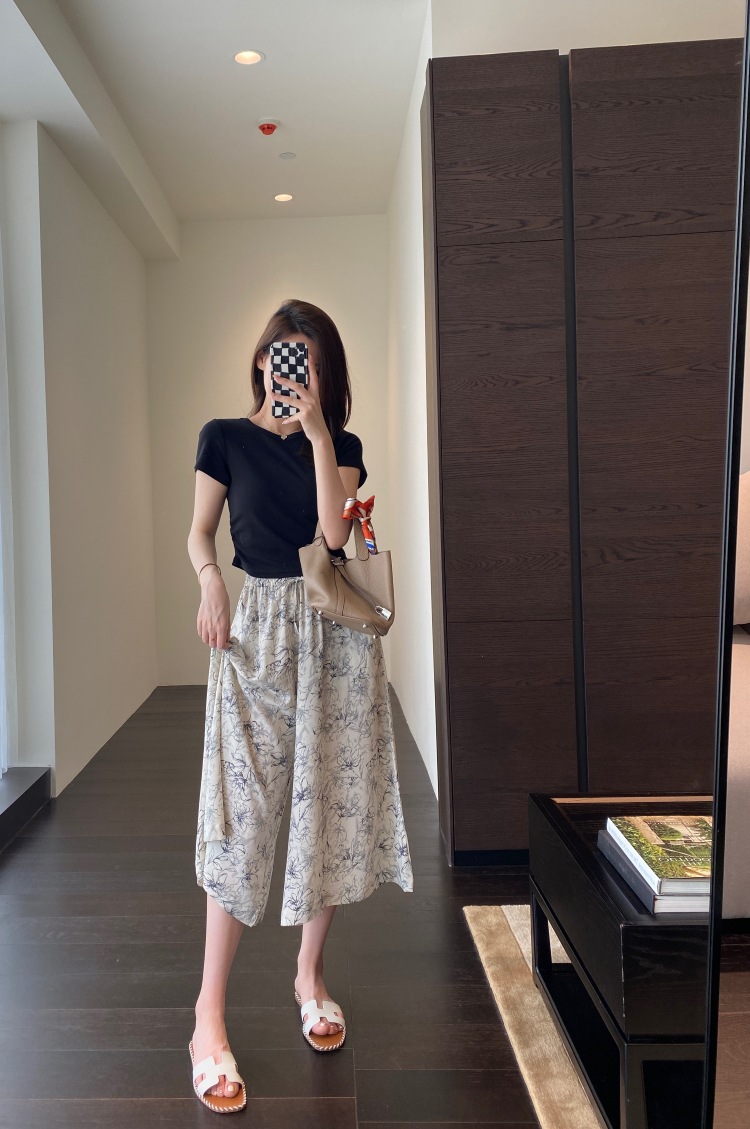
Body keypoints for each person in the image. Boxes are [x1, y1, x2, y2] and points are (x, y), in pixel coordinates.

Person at [186, 298, 414, 1113]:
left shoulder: (342, 446)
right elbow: (200, 532)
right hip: (255, 634)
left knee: (325, 809)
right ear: (262, 359)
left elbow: (333, 537)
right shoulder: (223, 436)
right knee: (243, 817)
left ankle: (309, 975)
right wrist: (211, 582)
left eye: (310, 359)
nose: (294, 369)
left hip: (333, 638)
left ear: (326, 372)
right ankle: (207, 1016)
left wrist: (317, 432)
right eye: (285, 354)